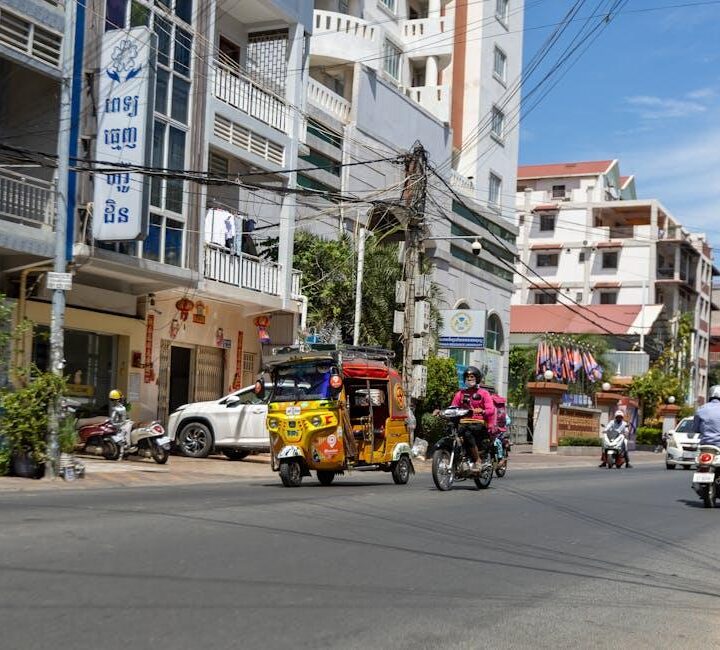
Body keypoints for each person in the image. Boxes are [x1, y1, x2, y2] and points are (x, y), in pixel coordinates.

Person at [450, 366, 496, 471]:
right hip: (463, 423)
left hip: (478, 424)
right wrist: (442, 411)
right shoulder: (460, 394)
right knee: (452, 432)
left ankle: (477, 460)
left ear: (477, 378)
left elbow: (491, 409)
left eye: (472, 376)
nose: (469, 379)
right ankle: (461, 458)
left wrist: (483, 411)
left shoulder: (484, 393)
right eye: (467, 377)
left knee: (467, 433)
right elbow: (453, 407)